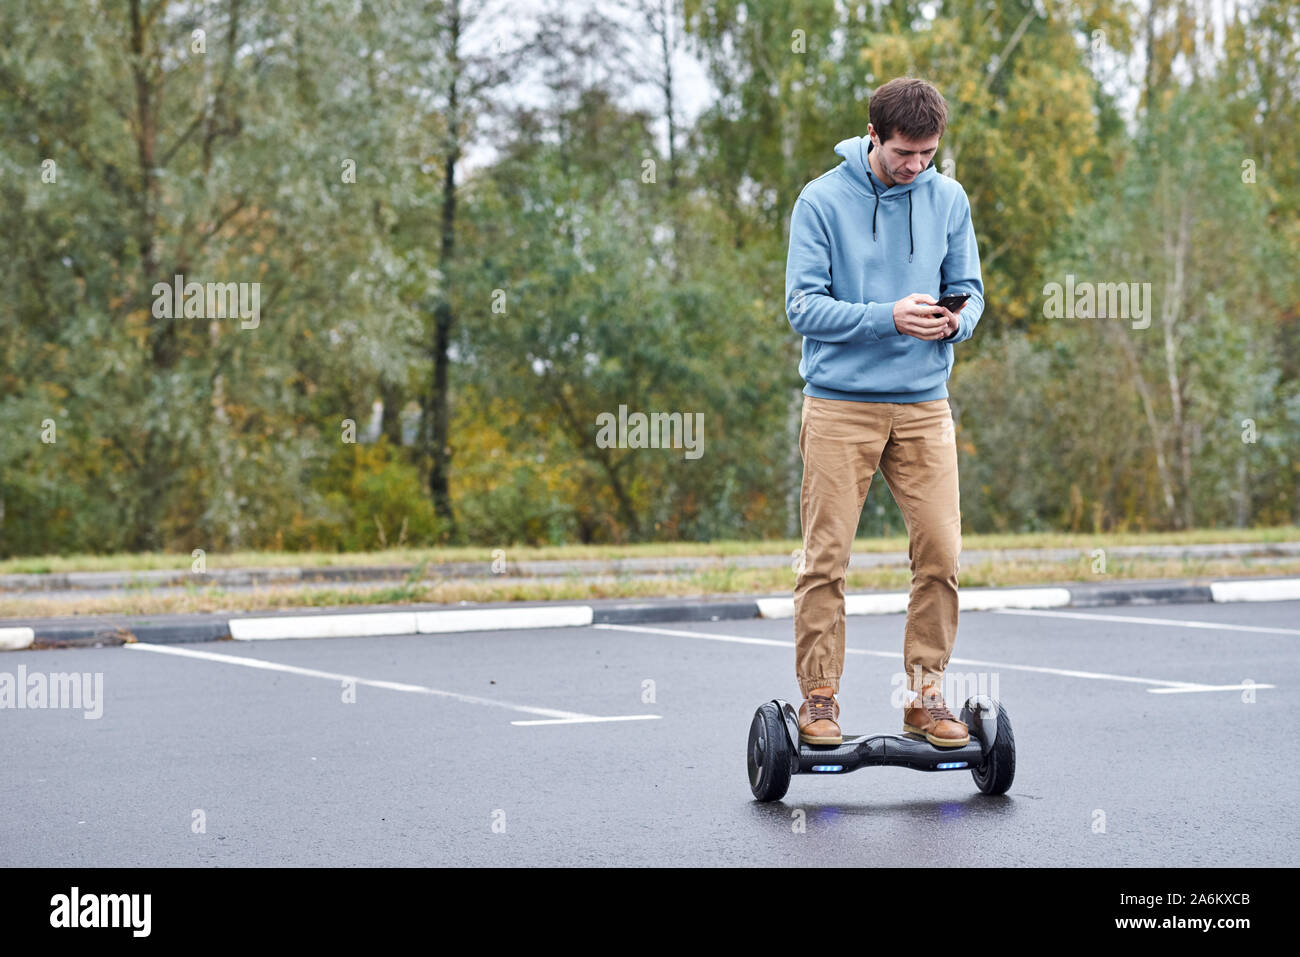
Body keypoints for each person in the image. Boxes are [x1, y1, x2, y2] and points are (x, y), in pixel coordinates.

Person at [783, 76, 984, 748]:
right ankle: (818, 700)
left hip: (925, 404)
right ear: (873, 136)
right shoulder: (820, 201)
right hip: (840, 403)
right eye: (904, 153)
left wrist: (952, 325)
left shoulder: (948, 198)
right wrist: (888, 317)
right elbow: (802, 307)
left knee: (940, 553)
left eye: (927, 154)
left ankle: (925, 699)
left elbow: (971, 292)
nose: (915, 167)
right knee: (826, 558)